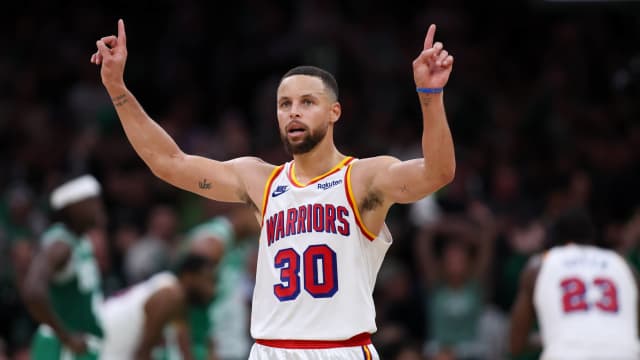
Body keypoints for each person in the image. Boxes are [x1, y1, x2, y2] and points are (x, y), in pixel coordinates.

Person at [91, 19, 455, 359]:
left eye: (307, 103)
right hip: (270, 350)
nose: (293, 112)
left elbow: (437, 173)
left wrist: (430, 95)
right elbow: (168, 163)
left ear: (334, 112)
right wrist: (117, 89)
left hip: (340, 349)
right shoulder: (260, 180)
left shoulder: (363, 178)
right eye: (285, 105)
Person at [510, 208, 640, 359]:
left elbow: (515, 344)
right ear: (592, 239)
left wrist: (550, 338)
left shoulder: (540, 264)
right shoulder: (622, 264)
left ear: (555, 240)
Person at [23, 175, 106, 360]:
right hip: (61, 348)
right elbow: (32, 291)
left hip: (84, 346)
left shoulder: (82, 241)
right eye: (92, 202)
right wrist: (65, 337)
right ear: (73, 207)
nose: (99, 207)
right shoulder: (60, 244)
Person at [180, 203, 260, 360]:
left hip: (232, 346)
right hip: (212, 349)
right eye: (259, 210)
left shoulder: (241, 244)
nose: (262, 218)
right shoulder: (213, 242)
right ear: (243, 208)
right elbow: (190, 299)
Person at [98, 253, 216, 360]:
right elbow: (143, 353)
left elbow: (185, 349)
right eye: (208, 281)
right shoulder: (170, 296)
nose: (212, 290)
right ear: (188, 277)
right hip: (101, 347)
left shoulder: (178, 300)